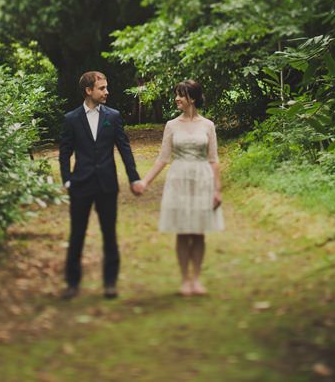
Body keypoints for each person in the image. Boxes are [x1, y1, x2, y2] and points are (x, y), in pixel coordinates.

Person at [58, 71, 143, 300]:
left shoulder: (113, 116)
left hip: (107, 184)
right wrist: (67, 178)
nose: (107, 92)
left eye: (106, 88)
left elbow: (124, 148)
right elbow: (64, 152)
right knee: (77, 235)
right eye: (102, 88)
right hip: (81, 185)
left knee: (109, 234)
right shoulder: (71, 119)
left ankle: (110, 284)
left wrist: (134, 177)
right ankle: (72, 283)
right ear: (88, 91)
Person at [137, 80, 224, 296]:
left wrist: (217, 189)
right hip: (179, 179)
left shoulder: (208, 125)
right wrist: (145, 181)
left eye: (181, 95)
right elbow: (163, 158)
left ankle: (196, 279)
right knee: (183, 232)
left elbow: (213, 159)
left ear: (192, 98)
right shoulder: (171, 125)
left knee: (199, 231)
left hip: (202, 178)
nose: (177, 98)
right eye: (176, 94)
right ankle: (185, 279)